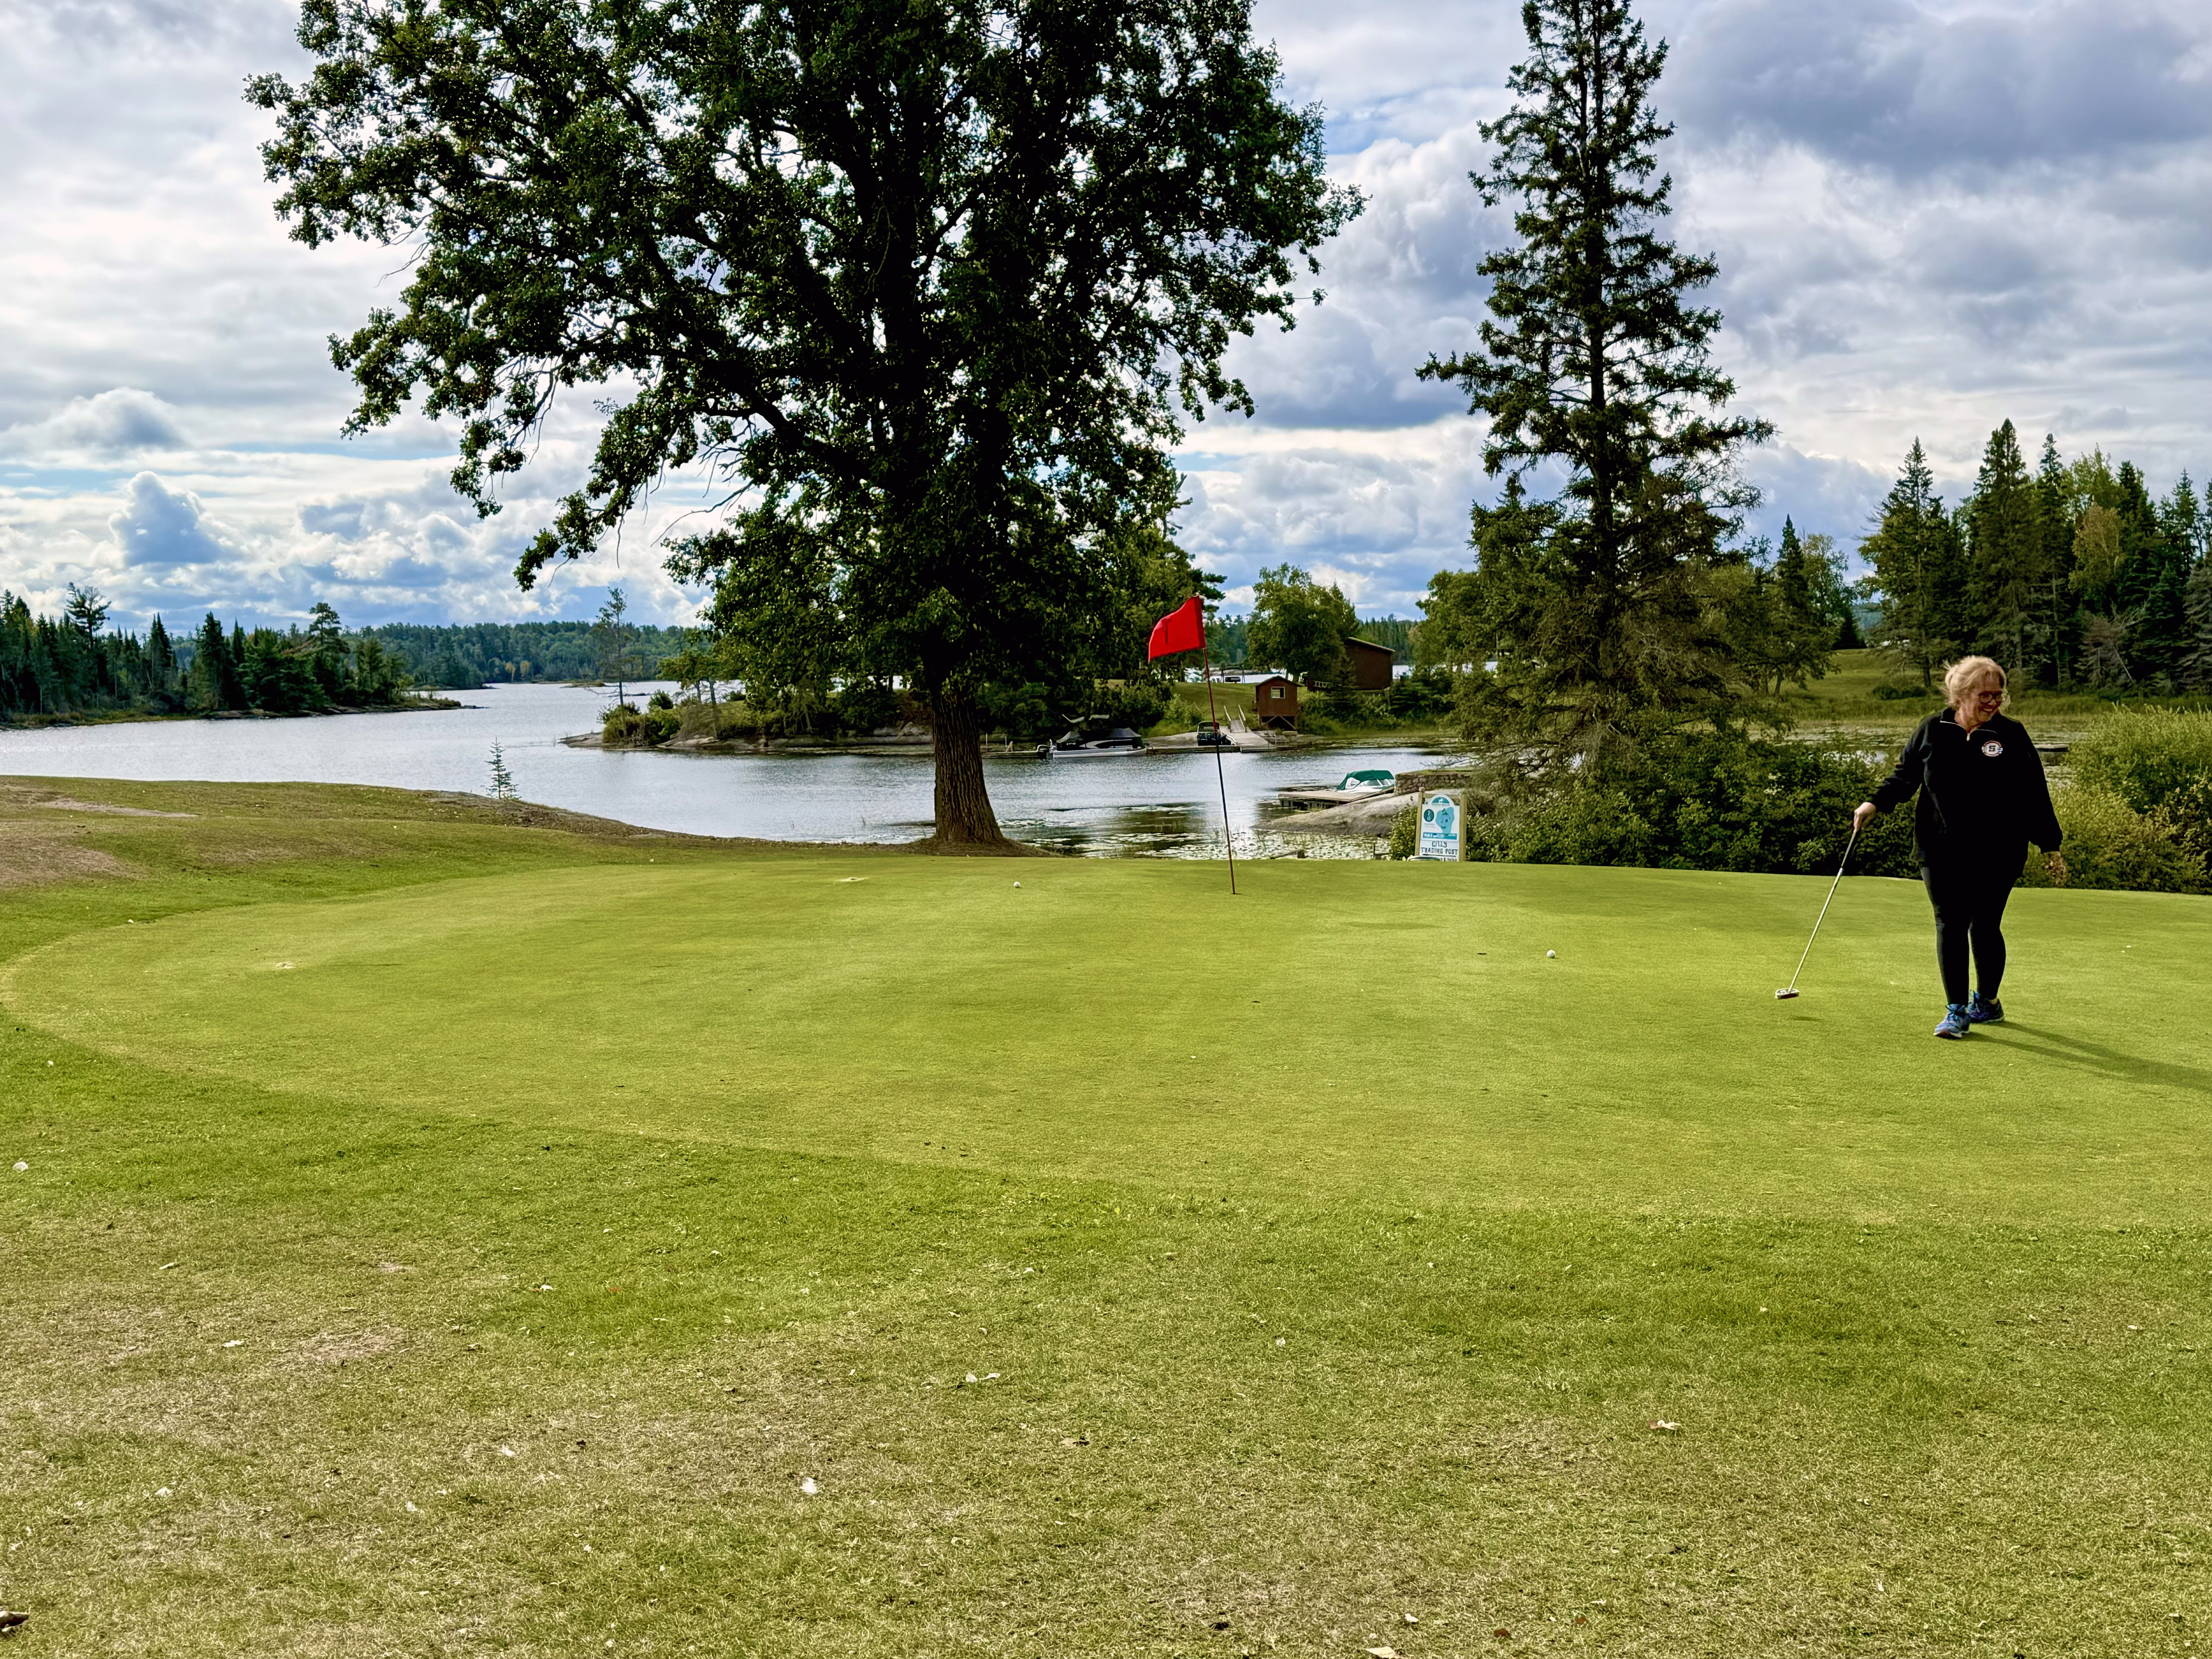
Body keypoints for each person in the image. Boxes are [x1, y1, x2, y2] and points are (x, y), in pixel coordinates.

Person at [1852, 656, 2064, 1040]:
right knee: (1950, 922)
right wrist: (1874, 803)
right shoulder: (1933, 729)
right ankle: (1956, 1012)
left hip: (1999, 851)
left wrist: (2050, 845)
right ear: (1962, 693)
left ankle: (1987, 1002)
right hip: (1940, 848)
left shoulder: (2011, 735)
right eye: (1985, 695)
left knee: (1984, 925)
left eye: (1999, 695)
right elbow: (1905, 777)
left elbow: (2034, 792)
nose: (1994, 702)